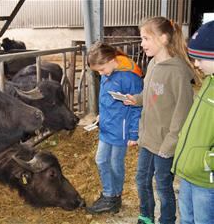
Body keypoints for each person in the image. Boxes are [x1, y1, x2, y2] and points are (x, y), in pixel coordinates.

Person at [124, 17, 197, 224]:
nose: (142, 43)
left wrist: (169, 145)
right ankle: (146, 216)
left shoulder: (177, 73)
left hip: (165, 143)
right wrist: (136, 100)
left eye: (146, 38)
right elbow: (152, 95)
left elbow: (182, 113)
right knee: (142, 180)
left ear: (163, 38)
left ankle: (167, 220)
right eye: (142, 38)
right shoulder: (153, 63)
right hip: (148, 139)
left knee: (163, 185)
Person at [86, 41, 143, 214]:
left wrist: (134, 133)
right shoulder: (107, 73)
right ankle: (110, 194)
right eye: (98, 72)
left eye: (101, 69)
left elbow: (137, 106)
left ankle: (113, 197)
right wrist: (101, 114)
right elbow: (106, 97)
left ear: (111, 59)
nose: (101, 74)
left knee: (115, 163)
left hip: (121, 130)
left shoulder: (129, 77)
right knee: (101, 160)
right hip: (107, 125)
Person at [172, 20, 214, 224]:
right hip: (189, 172)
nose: (195, 64)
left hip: (206, 179)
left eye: (199, 59)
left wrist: (206, 161)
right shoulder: (209, 82)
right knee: (187, 219)